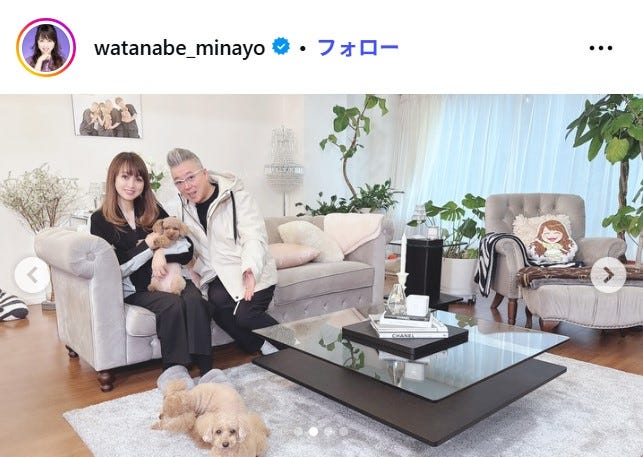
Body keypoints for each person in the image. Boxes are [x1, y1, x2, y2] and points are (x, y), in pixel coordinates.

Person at [90, 152, 216, 378]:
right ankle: (176, 371)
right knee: (171, 305)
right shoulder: (100, 220)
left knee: (195, 300)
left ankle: (207, 370)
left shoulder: (152, 209)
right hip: (137, 288)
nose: (131, 185)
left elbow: (186, 248)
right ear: (113, 179)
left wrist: (161, 253)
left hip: (169, 277)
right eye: (125, 177)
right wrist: (149, 247)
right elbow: (114, 267)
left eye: (138, 179)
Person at [165, 148, 279, 355]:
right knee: (215, 307)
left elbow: (254, 238)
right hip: (217, 275)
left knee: (246, 316)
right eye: (179, 182)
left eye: (190, 177)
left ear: (204, 173)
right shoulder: (182, 208)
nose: (186, 186)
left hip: (251, 269)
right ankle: (264, 347)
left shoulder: (239, 198)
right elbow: (169, 235)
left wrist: (250, 269)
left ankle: (295, 342)